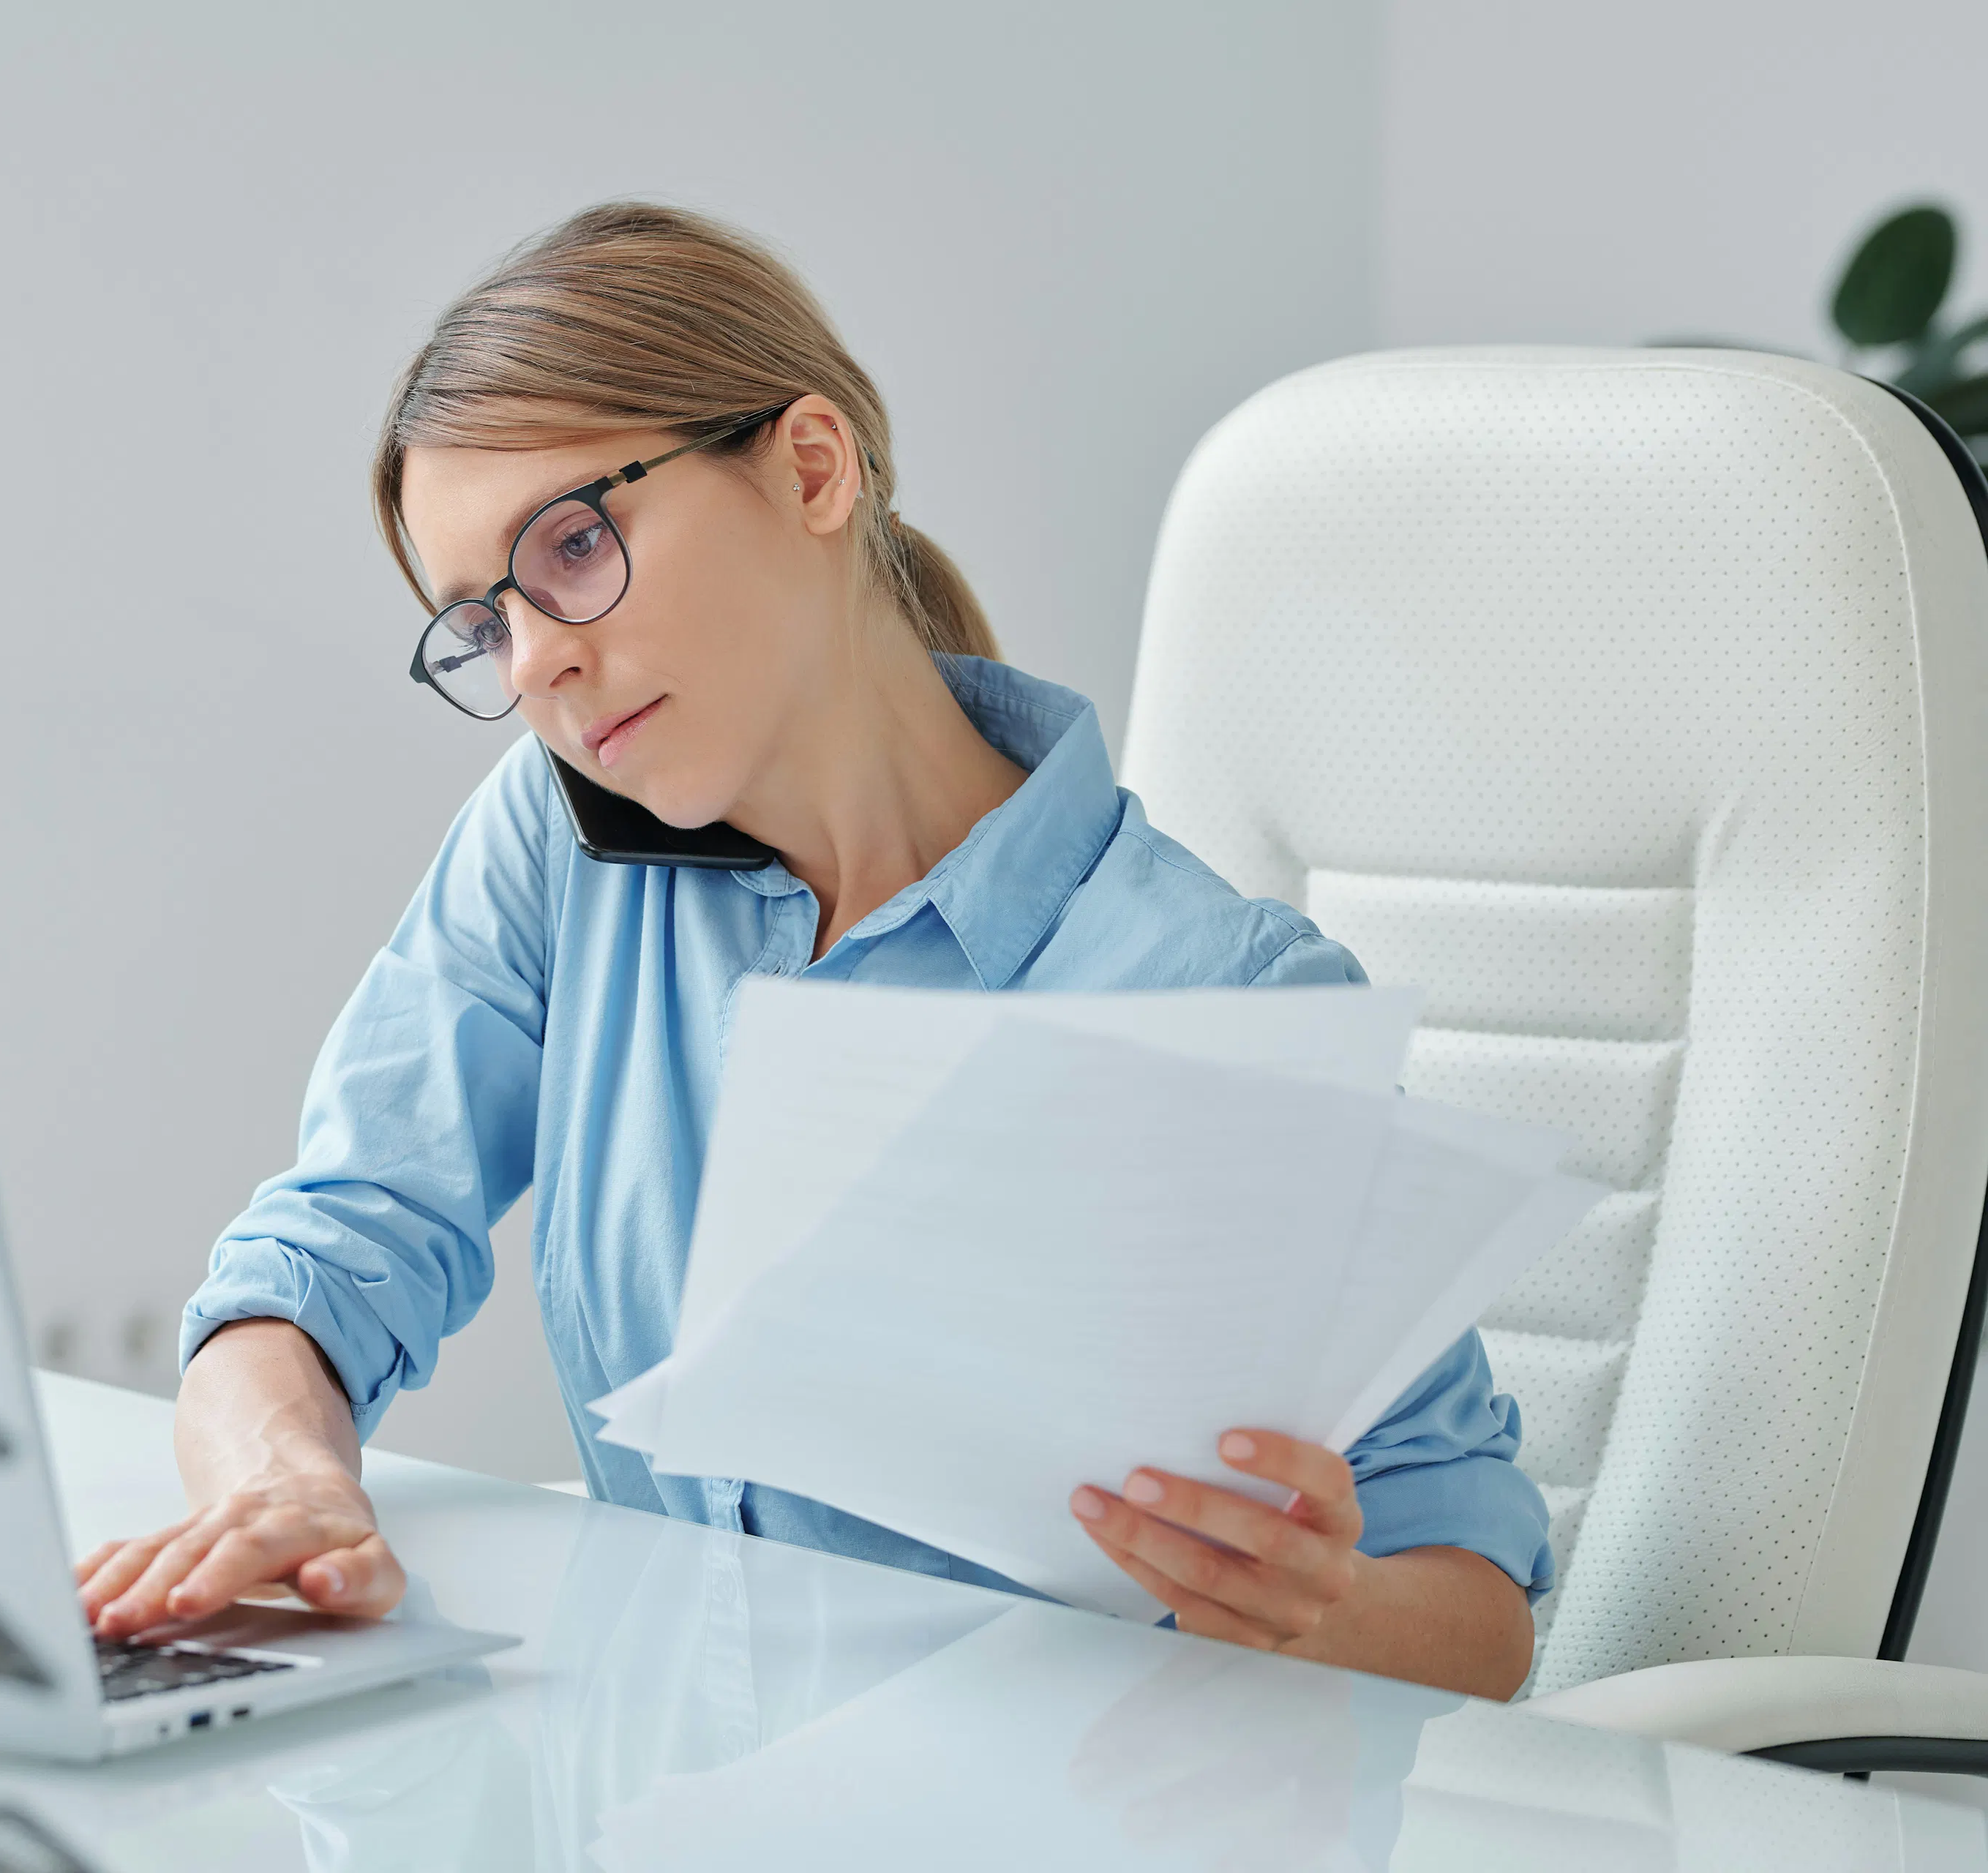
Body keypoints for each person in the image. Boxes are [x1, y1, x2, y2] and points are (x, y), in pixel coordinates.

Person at [77, 202, 1548, 1697]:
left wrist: (1317, 1610)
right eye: (484, 624)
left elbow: (1480, 1611)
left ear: (810, 468)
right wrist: (287, 1483)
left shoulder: (1217, 994)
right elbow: (324, 1259)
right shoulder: (557, 847)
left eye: (574, 548)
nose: (540, 665)